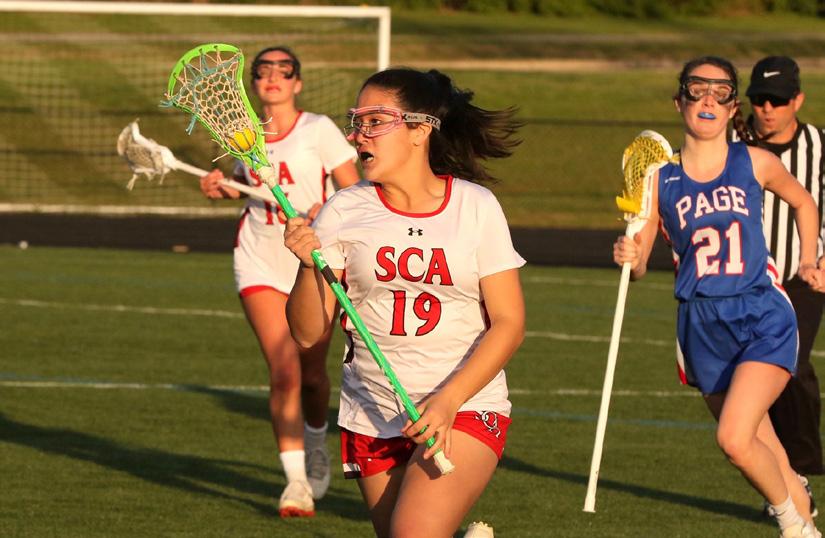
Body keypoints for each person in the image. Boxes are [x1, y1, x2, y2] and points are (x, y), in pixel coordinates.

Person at [283, 67, 525, 537]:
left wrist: (448, 402)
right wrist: (308, 266)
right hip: (371, 413)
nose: (357, 135)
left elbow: (509, 322)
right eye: (357, 122)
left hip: (465, 406)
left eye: (375, 121)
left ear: (420, 129)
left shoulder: (475, 206)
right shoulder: (343, 210)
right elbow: (308, 333)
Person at [613, 55, 825, 538]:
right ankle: (805, 520)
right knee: (766, 447)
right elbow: (640, 262)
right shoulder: (659, 179)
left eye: (721, 91)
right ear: (679, 101)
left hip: (761, 314)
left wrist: (807, 259)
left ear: (733, 108)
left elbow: (803, 201)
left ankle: (793, 525)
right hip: (701, 327)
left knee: (733, 438)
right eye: (697, 89)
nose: (708, 98)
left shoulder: (754, 161)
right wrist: (630, 255)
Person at [198, 45, 359, 518]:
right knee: (284, 369)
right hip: (260, 259)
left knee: (313, 376)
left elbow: (354, 192)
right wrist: (222, 188)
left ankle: (316, 443)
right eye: (263, 70)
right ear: (253, 82)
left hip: (313, 262)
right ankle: (296, 484)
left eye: (283, 70)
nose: (272, 77)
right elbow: (245, 187)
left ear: (297, 83)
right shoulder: (244, 134)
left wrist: (326, 209)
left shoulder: (318, 129)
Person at [743, 57, 825, 513]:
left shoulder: (819, 146)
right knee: (755, 377)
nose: (767, 109)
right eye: (759, 99)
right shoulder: (734, 145)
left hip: (802, 278)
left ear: (798, 100)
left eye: (776, 100)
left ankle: (801, 467)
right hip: (748, 282)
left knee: (790, 365)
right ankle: (786, 477)